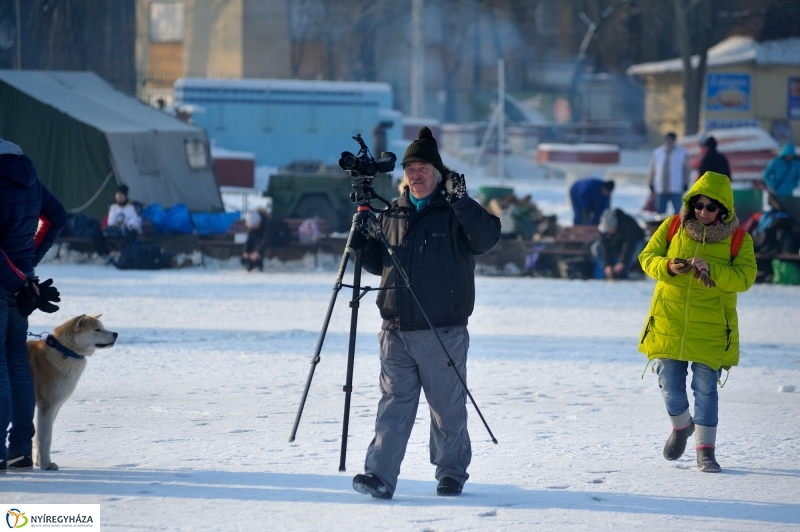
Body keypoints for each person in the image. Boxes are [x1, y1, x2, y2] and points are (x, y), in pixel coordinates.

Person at [349, 126, 500, 499]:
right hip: (395, 328)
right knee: (392, 407)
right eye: (410, 169)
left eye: (423, 169)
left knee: (446, 409)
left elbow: (486, 239)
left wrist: (462, 201)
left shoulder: (453, 212)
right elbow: (379, 264)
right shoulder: (394, 212)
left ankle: (451, 472)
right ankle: (379, 476)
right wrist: (360, 242)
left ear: (438, 174)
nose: (416, 175)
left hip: (441, 329)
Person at [638, 171, 756, 473]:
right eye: (699, 205)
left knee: (705, 388)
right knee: (669, 383)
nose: (703, 212)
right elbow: (647, 257)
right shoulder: (673, 226)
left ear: (723, 211)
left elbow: (745, 277)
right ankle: (681, 427)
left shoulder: (739, 239)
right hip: (671, 318)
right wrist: (669, 266)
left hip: (713, 324)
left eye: (711, 207)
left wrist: (713, 268)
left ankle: (706, 451)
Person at [0, 138, 67, 472]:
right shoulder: (29, 177)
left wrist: (18, 276)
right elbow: (58, 217)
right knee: (16, 362)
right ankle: (21, 449)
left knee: (2, 364)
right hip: (23, 285)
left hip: (7, 285)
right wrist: (28, 264)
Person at [591, 208, 645, 280]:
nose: (609, 233)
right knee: (596, 246)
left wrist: (622, 262)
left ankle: (625, 272)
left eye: (610, 230)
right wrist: (607, 264)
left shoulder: (628, 223)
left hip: (631, 247)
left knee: (638, 246)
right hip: (615, 248)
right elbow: (604, 245)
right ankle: (608, 273)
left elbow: (629, 244)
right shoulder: (603, 228)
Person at [92, 184, 141, 257]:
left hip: (127, 231)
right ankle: (105, 255)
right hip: (115, 231)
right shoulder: (113, 206)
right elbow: (110, 222)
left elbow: (135, 222)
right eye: (117, 195)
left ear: (125, 195)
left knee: (132, 235)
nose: (119, 197)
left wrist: (125, 225)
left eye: (121, 195)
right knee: (96, 235)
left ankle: (125, 256)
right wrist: (116, 225)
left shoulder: (132, 207)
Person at [647, 132, 691, 215]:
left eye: (671, 140)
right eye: (667, 139)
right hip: (661, 188)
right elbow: (652, 169)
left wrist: (686, 182)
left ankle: (678, 227)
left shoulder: (681, 153)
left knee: (679, 212)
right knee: (660, 213)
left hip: (676, 188)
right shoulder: (657, 152)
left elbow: (687, 169)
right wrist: (651, 182)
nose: (669, 141)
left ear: (674, 141)